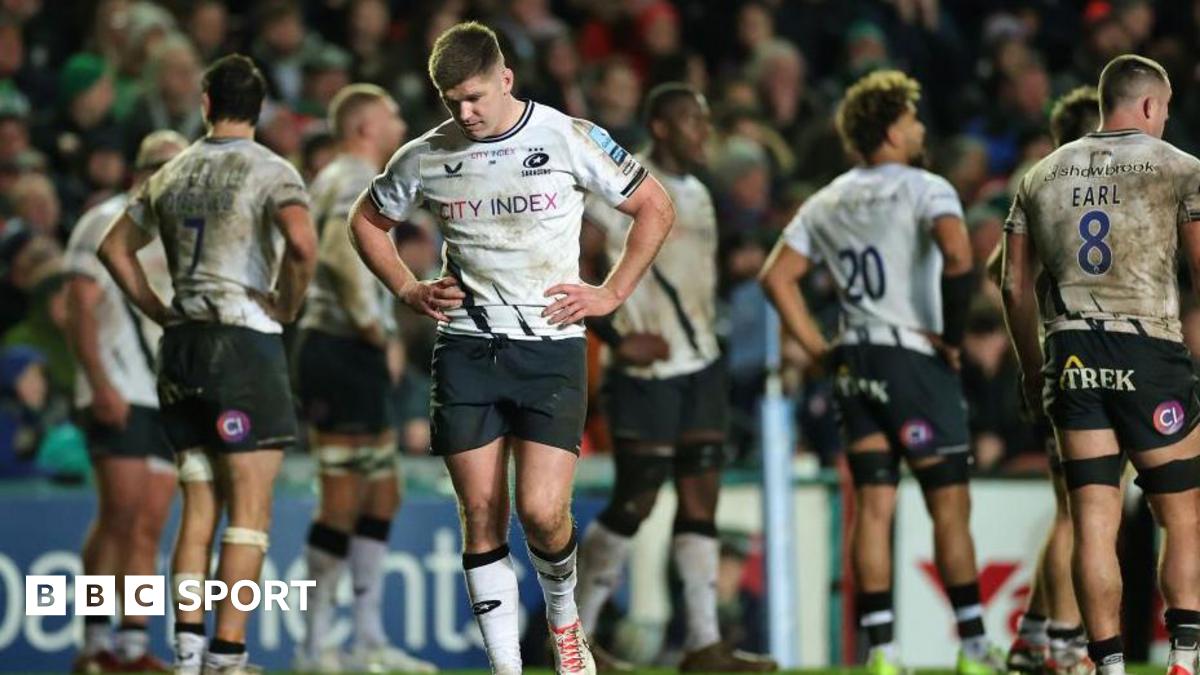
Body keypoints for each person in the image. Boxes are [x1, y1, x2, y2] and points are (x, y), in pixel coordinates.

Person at [347, 21, 674, 675]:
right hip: (466, 348)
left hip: (551, 348)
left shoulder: (567, 136)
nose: (464, 113)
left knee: (544, 512)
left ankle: (564, 622)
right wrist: (408, 287)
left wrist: (610, 293)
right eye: (450, 101)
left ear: (505, 80)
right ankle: (507, 666)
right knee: (482, 511)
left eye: (473, 97)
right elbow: (367, 219)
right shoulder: (426, 154)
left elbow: (655, 206)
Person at [759, 69, 1001, 675]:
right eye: (913, 118)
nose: (920, 128)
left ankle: (884, 654)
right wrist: (948, 339)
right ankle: (973, 649)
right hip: (913, 359)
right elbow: (959, 255)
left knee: (873, 506)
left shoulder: (828, 198)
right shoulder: (927, 187)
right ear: (893, 128)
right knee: (948, 504)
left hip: (856, 359)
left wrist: (819, 350)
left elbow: (775, 277)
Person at [99, 54, 317, 675]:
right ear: (261, 106)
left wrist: (156, 307)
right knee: (249, 513)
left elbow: (114, 248)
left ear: (204, 103)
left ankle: (187, 653)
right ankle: (228, 656)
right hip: (241, 349)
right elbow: (301, 243)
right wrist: (288, 303)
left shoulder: (171, 172)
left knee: (198, 507)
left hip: (182, 349)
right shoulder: (271, 169)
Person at [1001, 54, 1200, 675]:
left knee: (1092, 517)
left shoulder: (1040, 174)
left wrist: (1035, 372)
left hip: (1072, 352)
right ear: (1147, 105)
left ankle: (1107, 664)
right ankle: (1186, 658)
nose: (1163, 120)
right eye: (1163, 109)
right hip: (1149, 347)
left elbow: (1010, 284)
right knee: (1182, 513)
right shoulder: (1181, 169)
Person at [573, 82, 776, 673]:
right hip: (646, 371)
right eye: (692, 121)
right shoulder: (618, 183)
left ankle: (703, 645)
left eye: (706, 119)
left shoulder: (703, 196)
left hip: (700, 366)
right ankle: (573, 640)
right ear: (660, 126)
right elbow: (575, 261)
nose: (703, 132)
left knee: (701, 499)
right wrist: (611, 336)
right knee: (636, 499)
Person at [293, 82, 435, 674]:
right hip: (341, 349)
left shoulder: (340, 177)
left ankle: (366, 641)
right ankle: (314, 646)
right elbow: (334, 254)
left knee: (382, 493)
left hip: (348, 350)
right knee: (344, 499)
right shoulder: (352, 179)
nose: (401, 119)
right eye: (391, 113)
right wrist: (375, 329)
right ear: (362, 126)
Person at [65, 130, 186, 674]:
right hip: (117, 385)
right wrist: (99, 381)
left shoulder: (180, 233)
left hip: (163, 393)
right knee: (119, 515)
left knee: (147, 526)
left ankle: (132, 649)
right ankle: (94, 645)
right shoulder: (105, 219)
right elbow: (80, 308)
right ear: (140, 171)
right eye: (163, 165)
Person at [1001, 85, 1102, 675]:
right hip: (1078, 362)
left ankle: (1033, 637)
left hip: (1052, 363)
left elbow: (1003, 271)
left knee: (1072, 509)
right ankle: (1063, 646)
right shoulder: (1079, 194)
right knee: (1085, 512)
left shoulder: (1037, 189)